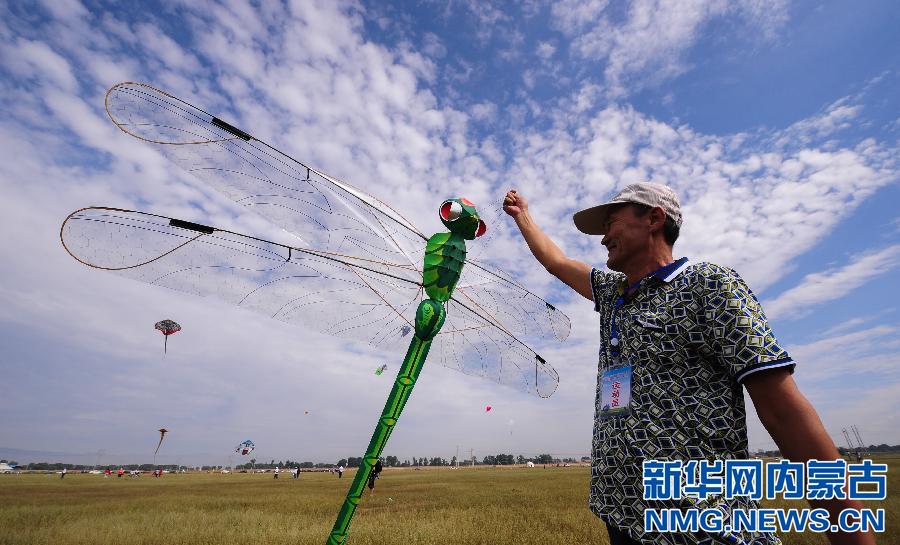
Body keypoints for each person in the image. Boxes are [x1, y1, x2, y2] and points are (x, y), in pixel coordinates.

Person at [503, 184, 874, 545]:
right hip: (621, 513)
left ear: (653, 219)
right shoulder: (614, 294)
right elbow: (557, 262)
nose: (603, 239)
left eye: (612, 224)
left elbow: (784, 414)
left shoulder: (709, 286)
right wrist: (524, 217)